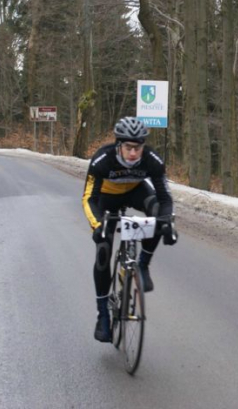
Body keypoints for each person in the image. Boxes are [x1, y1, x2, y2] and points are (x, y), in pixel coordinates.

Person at [82, 116, 177, 343]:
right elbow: (88, 198)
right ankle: (102, 313)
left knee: (158, 218)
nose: (134, 153)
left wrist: (168, 224)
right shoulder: (102, 160)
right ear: (119, 145)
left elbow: (165, 198)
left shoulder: (152, 159)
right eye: (128, 147)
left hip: (135, 191)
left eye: (138, 148)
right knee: (104, 250)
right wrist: (98, 225)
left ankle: (142, 265)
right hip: (105, 198)